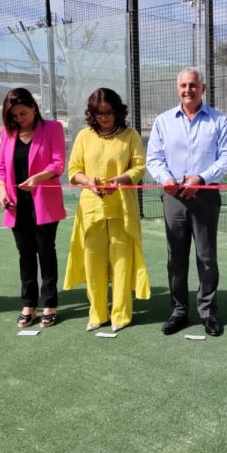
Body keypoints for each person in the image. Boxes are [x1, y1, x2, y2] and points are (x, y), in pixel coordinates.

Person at [146, 66, 227, 337]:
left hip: (205, 196)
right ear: (178, 89)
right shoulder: (163, 121)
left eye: (193, 85)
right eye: (184, 85)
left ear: (203, 89)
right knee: (176, 257)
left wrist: (201, 178)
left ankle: (207, 312)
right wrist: (166, 179)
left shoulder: (219, 120)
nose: (188, 90)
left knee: (206, 257)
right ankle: (179, 311)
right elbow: (154, 159)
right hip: (173, 197)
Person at [64, 88, 151, 332]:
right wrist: (88, 182)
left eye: (109, 113)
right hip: (91, 209)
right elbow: (73, 171)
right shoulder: (83, 136)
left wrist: (120, 179)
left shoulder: (130, 135)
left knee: (122, 261)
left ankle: (121, 315)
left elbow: (138, 167)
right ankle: (97, 313)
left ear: (118, 111)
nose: (104, 118)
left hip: (122, 208)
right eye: (99, 113)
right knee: (93, 262)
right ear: (92, 114)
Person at [0, 88, 66, 329]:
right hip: (16, 204)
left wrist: (37, 178)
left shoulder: (53, 128)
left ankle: (50, 304)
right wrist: (3, 192)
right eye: (14, 116)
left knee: (45, 251)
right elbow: (1, 169)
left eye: (23, 113)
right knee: (25, 253)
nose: (19, 119)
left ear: (34, 108)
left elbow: (58, 164)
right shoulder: (7, 133)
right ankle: (28, 305)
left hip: (44, 202)